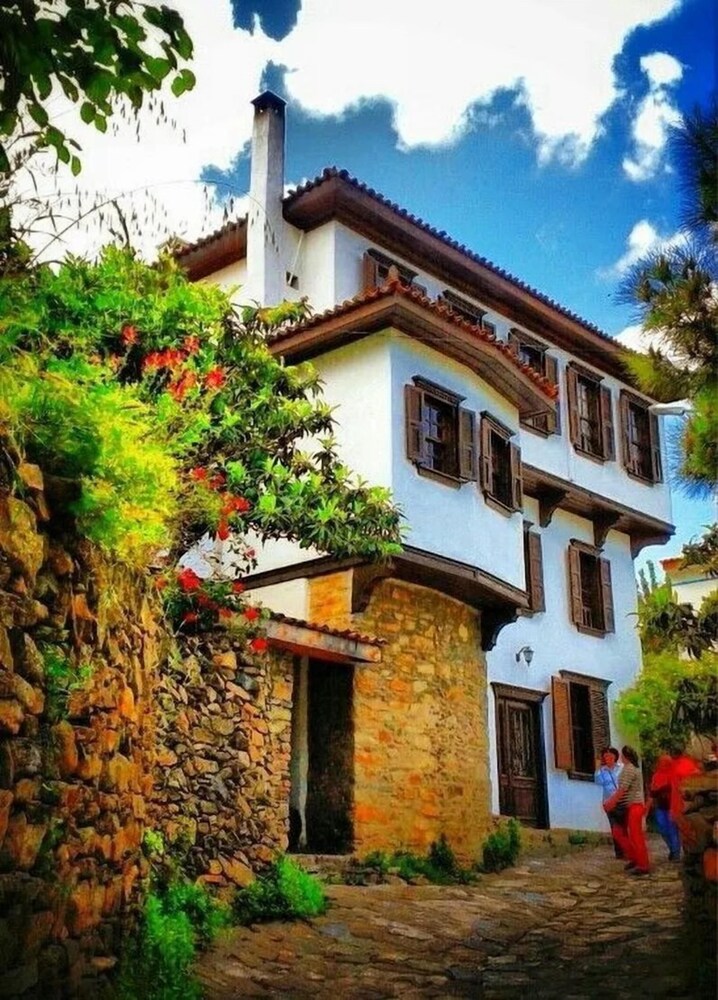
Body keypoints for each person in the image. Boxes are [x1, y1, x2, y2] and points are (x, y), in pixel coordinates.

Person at [603, 745, 651, 876]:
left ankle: (642, 864)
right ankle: (635, 858)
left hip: (633, 805)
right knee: (622, 833)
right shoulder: (630, 768)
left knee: (635, 835)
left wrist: (611, 802)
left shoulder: (629, 769)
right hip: (629, 805)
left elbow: (622, 789)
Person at [646, 754, 681, 861]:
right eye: (662, 762)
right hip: (660, 807)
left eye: (666, 763)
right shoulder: (656, 776)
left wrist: (673, 809)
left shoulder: (674, 775)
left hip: (671, 806)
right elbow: (652, 793)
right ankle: (672, 849)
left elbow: (675, 793)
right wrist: (647, 808)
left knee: (672, 829)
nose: (664, 765)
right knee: (662, 829)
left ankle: (676, 852)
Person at [594, 747, 625, 858]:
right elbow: (598, 782)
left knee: (624, 826)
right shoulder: (602, 771)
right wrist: (598, 767)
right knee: (614, 827)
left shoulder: (622, 768)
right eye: (605, 756)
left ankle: (628, 849)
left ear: (615, 756)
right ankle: (619, 852)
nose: (608, 758)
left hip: (622, 801)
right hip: (609, 802)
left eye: (610, 756)